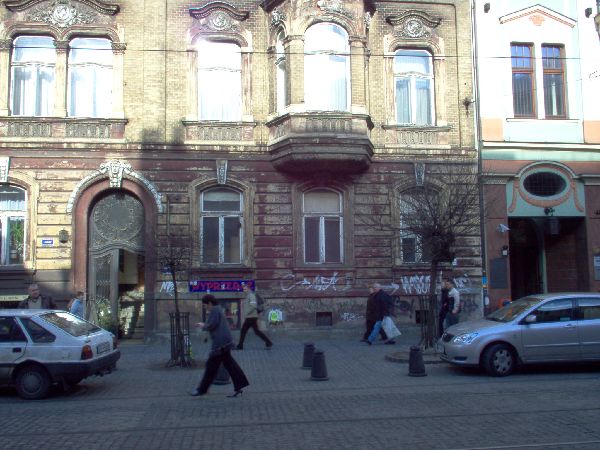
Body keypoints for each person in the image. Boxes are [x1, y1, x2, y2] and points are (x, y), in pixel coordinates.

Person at [191, 294, 250, 398]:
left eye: (205, 305)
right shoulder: (217, 309)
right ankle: (239, 386)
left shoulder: (214, 310)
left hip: (220, 344)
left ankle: (201, 390)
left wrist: (202, 325)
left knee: (211, 367)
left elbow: (212, 325)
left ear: (209, 303)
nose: (205, 308)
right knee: (230, 365)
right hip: (225, 342)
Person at [236, 284, 273, 350]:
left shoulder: (251, 295)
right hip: (251, 317)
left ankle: (240, 346)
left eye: (245, 289)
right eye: (243, 289)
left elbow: (253, 306)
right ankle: (268, 342)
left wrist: (247, 312)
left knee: (243, 331)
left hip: (251, 317)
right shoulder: (248, 295)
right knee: (256, 331)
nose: (244, 290)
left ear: (249, 289)